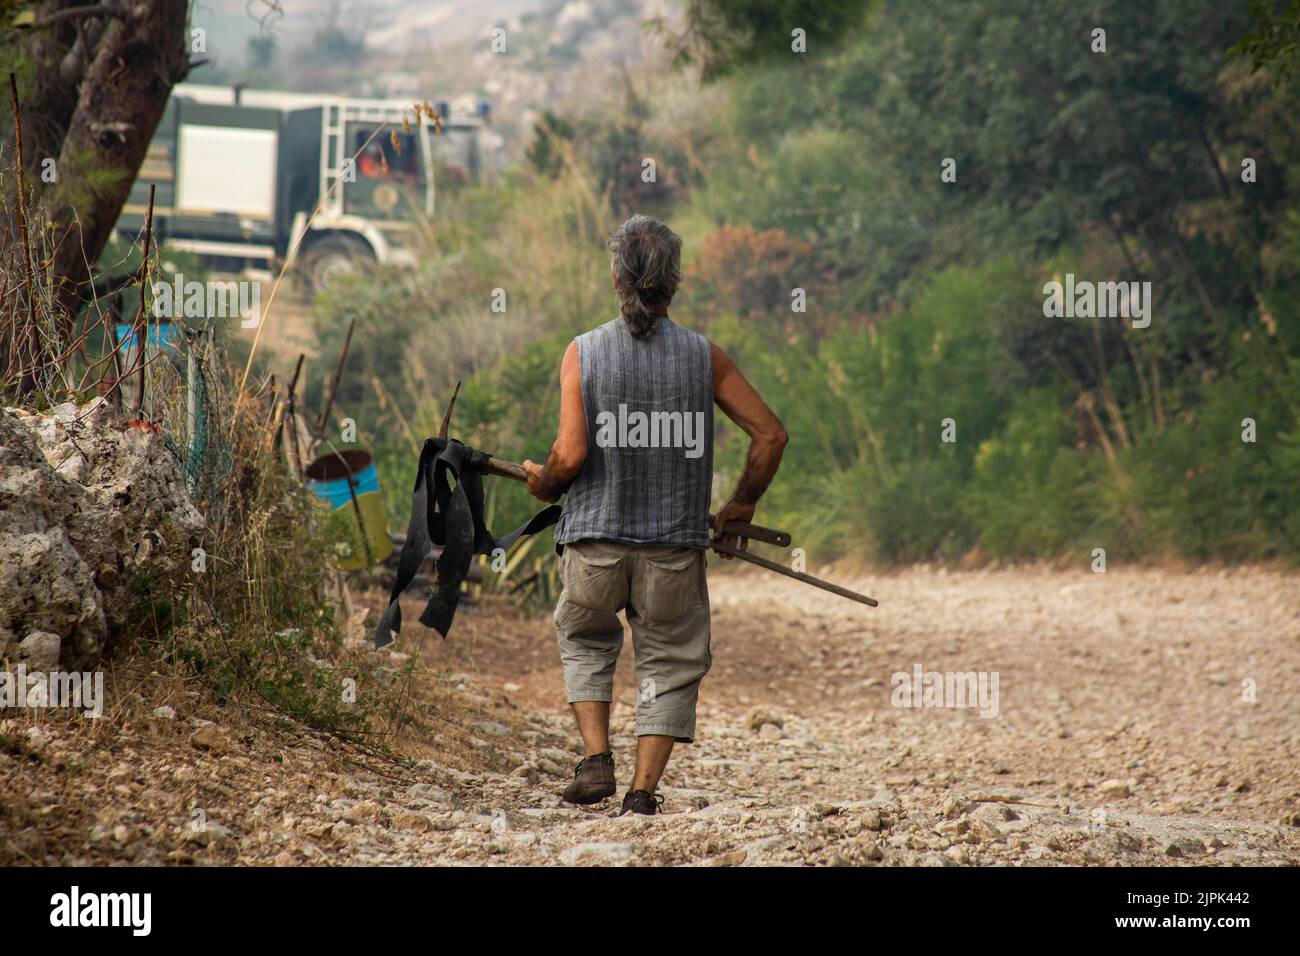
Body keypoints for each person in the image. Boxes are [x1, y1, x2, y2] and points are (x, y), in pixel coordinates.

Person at [523, 214, 788, 815]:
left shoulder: (583, 353)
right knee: (668, 660)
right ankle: (642, 795)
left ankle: (595, 760)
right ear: (676, 282)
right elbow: (771, 435)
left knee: (588, 642)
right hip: (673, 549)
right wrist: (741, 504)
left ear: (616, 276)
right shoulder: (705, 357)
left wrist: (544, 484)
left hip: (594, 546)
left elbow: (568, 457)